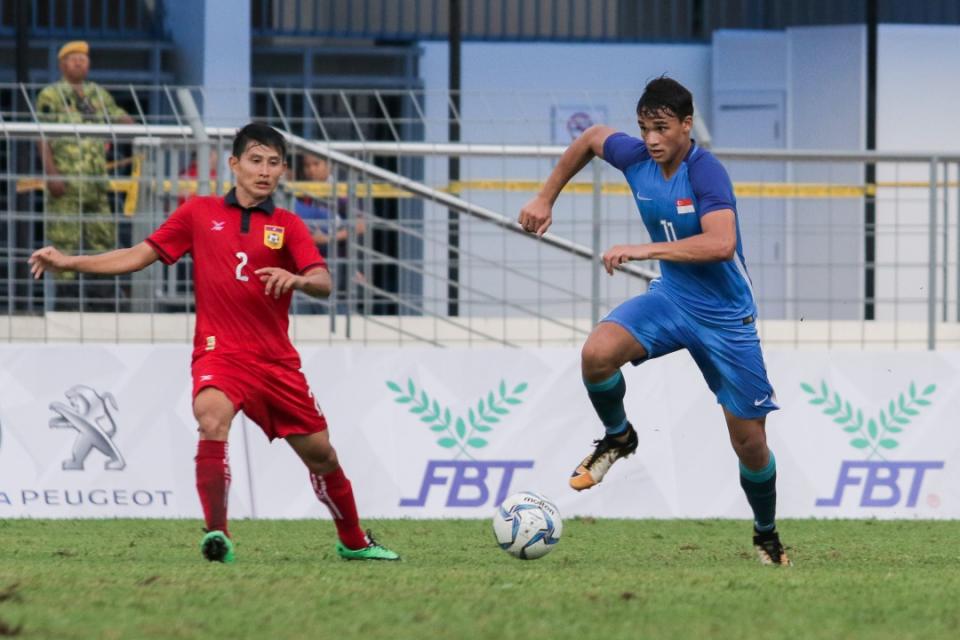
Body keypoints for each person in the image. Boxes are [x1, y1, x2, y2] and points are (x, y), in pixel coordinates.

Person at [30, 123, 399, 564]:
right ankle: (217, 534)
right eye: (256, 160)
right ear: (235, 164)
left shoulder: (288, 225)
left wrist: (298, 279)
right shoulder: (198, 213)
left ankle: (354, 540)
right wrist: (69, 261)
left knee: (322, 456)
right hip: (219, 351)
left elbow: (323, 281)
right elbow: (137, 255)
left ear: (283, 170)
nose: (264, 171)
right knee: (210, 420)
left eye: (274, 163)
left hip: (276, 362)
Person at [518, 77, 789, 566]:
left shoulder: (706, 172)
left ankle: (766, 534)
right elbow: (591, 137)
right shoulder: (637, 158)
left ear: (687, 125)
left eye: (662, 128)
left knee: (749, 443)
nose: (652, 139)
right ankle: (619, 436)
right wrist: (545, 198)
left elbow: (720, 243)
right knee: (596, 355)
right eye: (645, 128)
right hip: (671, 300)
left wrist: (643, 249)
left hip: (726, 318)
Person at [35, 40, 134, 310]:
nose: (79, 62)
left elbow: (124, 120)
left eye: (83, 58)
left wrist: (126, 121)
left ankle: (100, 300)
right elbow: (41, 136)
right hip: (65, 183)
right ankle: (64, 303)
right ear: (62, 64)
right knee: (63, 241)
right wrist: (52, 173)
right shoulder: (51, 95)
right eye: (73, 58)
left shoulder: (98, 95)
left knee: (102, 239)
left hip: (95, 183)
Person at [292, 152, 366, 312]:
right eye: (307, 166)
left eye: (316, 164)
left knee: (334, 312)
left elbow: (360, 225)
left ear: (329, 165)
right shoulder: (303, 192)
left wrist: (327, 239)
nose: (311, 170)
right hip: (308, 264)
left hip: (338, 265)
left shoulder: (342, 192)